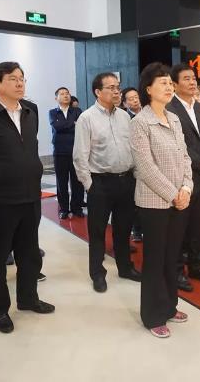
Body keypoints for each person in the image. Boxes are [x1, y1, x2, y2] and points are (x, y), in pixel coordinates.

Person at [0, 62, 54, 334]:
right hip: (0, 200)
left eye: (22, 78)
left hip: (30, 196)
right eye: (13, 79)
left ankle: (28, 298)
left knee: (29, 253)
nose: (19, 83)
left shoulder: (30, 112)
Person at [131, 62, 192, 338]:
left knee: (172, 257)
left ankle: (169, 306)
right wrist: (173, 194)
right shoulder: (140, 123)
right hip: (154, 202)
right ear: (148, 89)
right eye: (163, 83)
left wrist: (187, 188)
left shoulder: (174, 119)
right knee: (155, 259)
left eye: (170, 83)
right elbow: (145, 167)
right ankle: (152, 315)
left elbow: (185, 157)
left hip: (179, 200)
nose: (169, 87)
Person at [73, 72, 141, 293]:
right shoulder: (87, 118)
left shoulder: (124, 117)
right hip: (100, 183)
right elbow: (80, 156)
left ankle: (125, 268)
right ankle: (97, 273)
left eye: (117, 87)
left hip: (126, 181)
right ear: (97, 92)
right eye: (111, 87)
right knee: (97, 232)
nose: (116, 91)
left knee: (123, 229)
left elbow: (132, 148)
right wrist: (90, 185)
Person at [167, 64, 200, 292]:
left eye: (194, 78)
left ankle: (196, 265)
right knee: (180, 227)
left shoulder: (199, 107)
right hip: (183, 178)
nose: (192, 82)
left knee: (199, 225)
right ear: (174, 84)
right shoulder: (169, 109)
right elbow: (180, 145)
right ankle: (177, 270)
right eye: (186, 78)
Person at [49, 87, 84, 219]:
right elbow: (57, 127)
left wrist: (67, 124)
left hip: (76, 151)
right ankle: (64, 208)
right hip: (60, 151)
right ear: (56, 98)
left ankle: (76, 207)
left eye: (67, 93)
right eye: (62, 94)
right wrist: (73, 123)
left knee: (77, 182)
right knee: (61, 182)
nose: (66, 95)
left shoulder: (77, 111)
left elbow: (80, 127)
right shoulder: (53, 112)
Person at [121, 87, 143, 242]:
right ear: (124, 103)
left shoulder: (149, 113)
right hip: (133, 164)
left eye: (136, 97)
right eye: (130, 99)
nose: (135, 100)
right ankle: (136, 229)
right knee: (135, 199)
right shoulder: (125, 119)